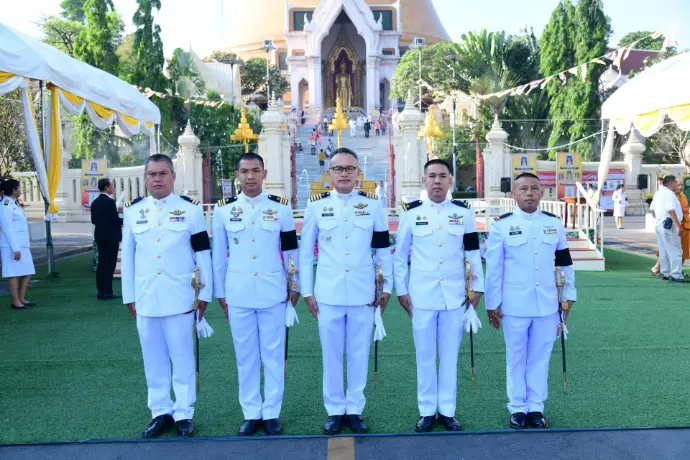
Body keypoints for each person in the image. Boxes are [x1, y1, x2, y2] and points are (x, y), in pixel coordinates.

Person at [299, 147, 393, 435]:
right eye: (338, 168)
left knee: (358, 353)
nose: (344, 173)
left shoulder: (372, 205)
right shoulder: (316, 206)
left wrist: (386, 286)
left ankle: (354, 409)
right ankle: (334, 410)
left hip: (364, 293)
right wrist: (307, 292)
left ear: (358, 173)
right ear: (329, 173)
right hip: (328, 293)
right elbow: (306, 254)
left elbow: (383, 250)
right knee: (331, 354)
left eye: (349, 168)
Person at [121, 154, 213, 438]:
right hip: (146, 298)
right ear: (145, 178)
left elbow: (203, 254)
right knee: (153, 360)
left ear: (173, 176)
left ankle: (184, 413)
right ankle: (160, 411)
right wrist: (129, 297)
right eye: (152, 174)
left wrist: (205, 293)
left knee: (182, 359)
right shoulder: (134, 211)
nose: (157, 179)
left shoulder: (190, 210)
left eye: (163, 173)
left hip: (181, 298)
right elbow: (128, 257)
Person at [212, 152, 300, 436]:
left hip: (273, 292)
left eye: (255, 170)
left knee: (273, 355)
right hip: (238, 293)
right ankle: (251, 412)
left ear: (264, 173)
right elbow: (218, 257)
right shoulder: (223, 210)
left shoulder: (280, 209)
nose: (250, 176)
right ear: (237, 175)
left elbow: (291, 251)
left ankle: (272, 412)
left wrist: (294, 286)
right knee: (245, 356)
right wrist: (221, 293)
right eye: (244, 171)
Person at [394, 159, 484, 432]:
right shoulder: (411, 214)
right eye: (431, 176)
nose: (437, 181)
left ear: (450, 180)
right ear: (423, 180)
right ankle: (426, 411)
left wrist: (477, 288)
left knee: (449, 357)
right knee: (424, 356)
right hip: (421, 297)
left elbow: (473, 253)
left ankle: (447, 410)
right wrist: (402, 290)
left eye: (442, 176)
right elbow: (400, 256)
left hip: (454, 296)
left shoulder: (463, 214)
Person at [485, 172, 576, 429]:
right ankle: (517, 407)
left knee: (540, 357)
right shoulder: (501, 225)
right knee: (516, 357)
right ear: (513, 194)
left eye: (534, 188)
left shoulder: (553, 223)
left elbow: (565, 263)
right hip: (514, 304)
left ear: (541, 193)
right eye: (523, 189)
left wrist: (569, 296)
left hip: (547, 304)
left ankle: (536, 407)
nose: (529, 193)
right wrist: (492, 304)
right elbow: (494, 268)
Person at [0, 179, 36, 310]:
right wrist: (15, 249)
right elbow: (7, 228)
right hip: (11, 246)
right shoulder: (5, 205)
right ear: (14, 190)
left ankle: (21, 298)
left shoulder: (14, 203)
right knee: (13, 273)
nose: (20, 190)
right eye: (19, 188)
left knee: (28, 271)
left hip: (22, 244)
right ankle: (15, 301)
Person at [91, 178, 123, 300]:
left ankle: (101, 291)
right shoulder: (110, 202)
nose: (113, 187)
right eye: (112, 185)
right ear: (107, 187)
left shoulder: (95, 202)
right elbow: (115, 220)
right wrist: (127, 220)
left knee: (101, 264)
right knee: (109, 265)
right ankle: (108, 292)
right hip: (110, 237)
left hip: (100, 236)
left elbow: (94, 220)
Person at [650, 175, 685, 282]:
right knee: (675, 250)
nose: (677, 185)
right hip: (669, 225)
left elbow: (652, 210)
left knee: (664, 250)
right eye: (676, 183)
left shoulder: (658, 193)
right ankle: (676, 274)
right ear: (671, 183)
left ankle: (665, 273)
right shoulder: (669, 194)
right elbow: (670, 210)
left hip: (660, 224)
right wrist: (677, 225)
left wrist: (660, 219)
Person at [676, 180, 690, 265]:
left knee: (685, 249)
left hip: (686, 225)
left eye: (682, 185)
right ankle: (658, 268)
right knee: (672, 248)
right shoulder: (672, 197)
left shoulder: (684, 196)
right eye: (678, 185)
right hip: (676, 225)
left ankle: (679, 268)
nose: (680, 187)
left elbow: (686, 210)